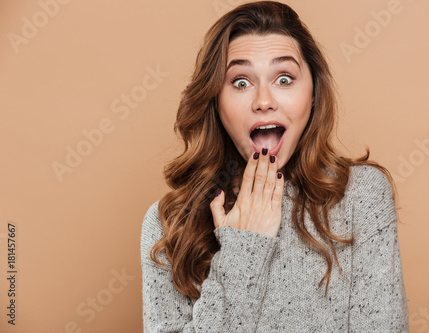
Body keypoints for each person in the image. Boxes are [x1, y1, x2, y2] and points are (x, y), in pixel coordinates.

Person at [140, 1, 409, 332]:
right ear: (215, 101)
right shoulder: (169, 224)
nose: (264, 101)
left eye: (284, 78)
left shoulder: (360, 196)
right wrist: (242, 247)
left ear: (313, 94)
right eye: (240, 82)